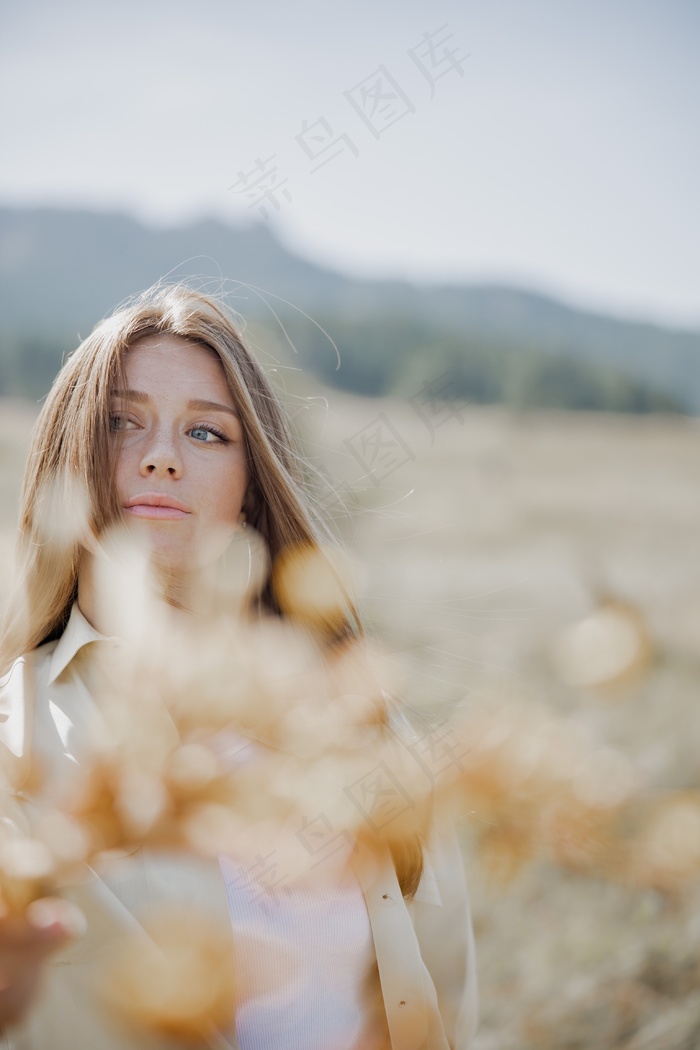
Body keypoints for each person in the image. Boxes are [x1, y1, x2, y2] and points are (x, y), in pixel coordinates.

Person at [0, 284, 477, 1049]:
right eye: (121, 423)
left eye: (207, 433)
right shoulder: (12, 730)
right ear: (69, 455)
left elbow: (443, 990)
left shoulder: (356, 720)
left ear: (253, 486)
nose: (159, 458)